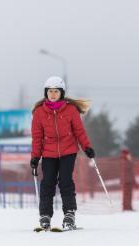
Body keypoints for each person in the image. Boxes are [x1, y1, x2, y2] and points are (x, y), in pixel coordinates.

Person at [30, 76, 95, 230]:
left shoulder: (70, 110)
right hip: (48, 153)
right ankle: (45, 215)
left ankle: (69, 214)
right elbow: (37, 138)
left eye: (56, 91)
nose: (53, 94)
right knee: (48, 183)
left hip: (68, 150)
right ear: (46, 93)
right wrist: (35, 157)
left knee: (65, 181)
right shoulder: (39, 113)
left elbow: (79, 131)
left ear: (62, 93)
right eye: (50, 91)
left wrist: (87, 147)